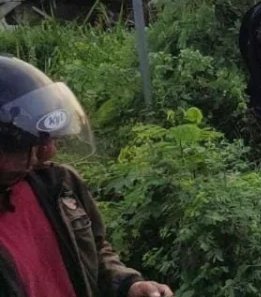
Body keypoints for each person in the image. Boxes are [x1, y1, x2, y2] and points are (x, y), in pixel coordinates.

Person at [0, 55, 173, 297]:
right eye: (29, 145)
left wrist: (128, 285)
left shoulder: (58, 186)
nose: (48, 152)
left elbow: (95, 250)